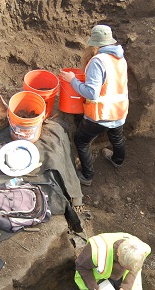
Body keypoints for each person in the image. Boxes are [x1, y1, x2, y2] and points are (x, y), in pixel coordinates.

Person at [60, 24, 129, 186]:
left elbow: (92, 93)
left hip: (101, 114)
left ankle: (87, 176)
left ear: (95, 43)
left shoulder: (97, 61)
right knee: (116, 137)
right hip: (119, 111)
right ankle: (117, 160)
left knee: (81, 141)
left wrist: (72, 80)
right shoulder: (120, 58)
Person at [74, 232, 151, 290]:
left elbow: (134, 270)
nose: (126, 269)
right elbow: (81, 266)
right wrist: (95, 289)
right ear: (118, 254)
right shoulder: (96, 250)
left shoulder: (142, 250)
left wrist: (125, 287)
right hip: (96, 275)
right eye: (125, 267)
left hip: (119, 275)